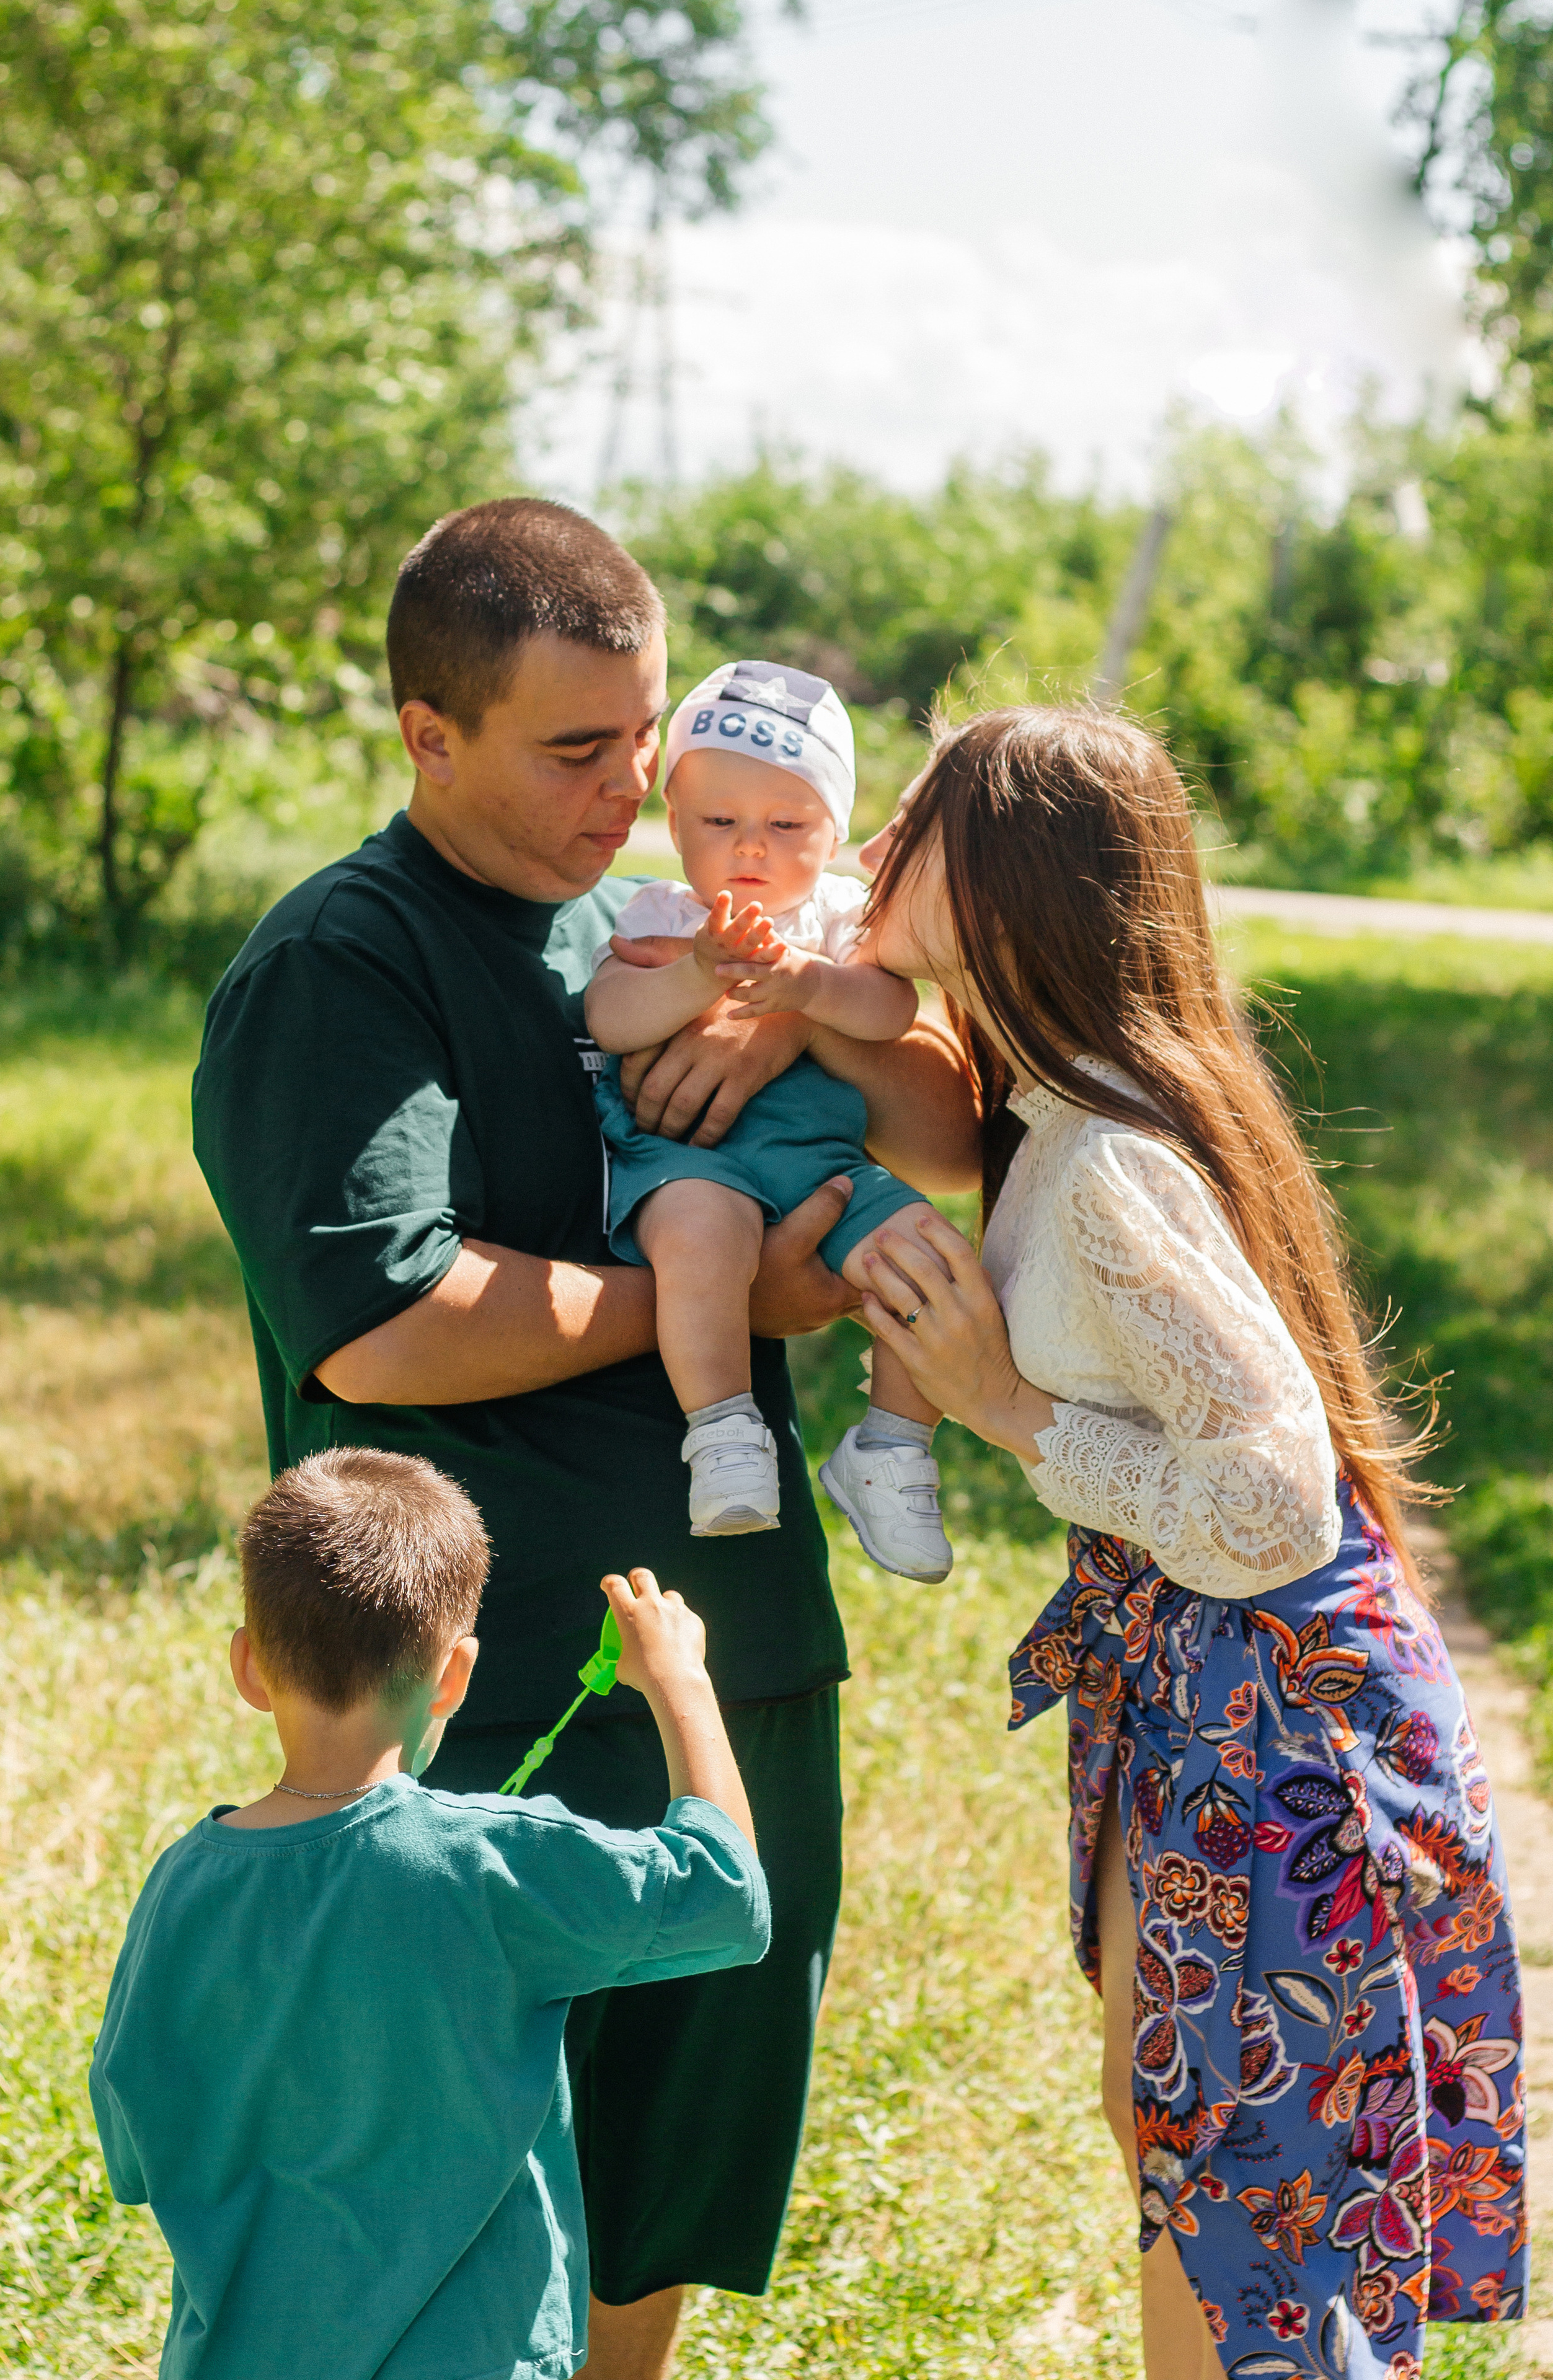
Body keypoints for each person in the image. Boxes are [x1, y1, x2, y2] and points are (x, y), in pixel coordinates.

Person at [190, 497, 981, 2380]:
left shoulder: (654, 922)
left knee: (678, 2133)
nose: (628, 790)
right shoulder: (345, 964)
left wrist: (797, 1030)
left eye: (641, 738)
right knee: (446, 2168)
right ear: (427, 732)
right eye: (572, 750)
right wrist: (736, 1296)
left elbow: (945, 1125)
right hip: (482, 1669)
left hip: (727, 1639)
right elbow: (382, 1323)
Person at [844, 706, 1524, 2380]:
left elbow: (1273, 1502)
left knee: (1238, 2202)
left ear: (1003, 878)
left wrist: (1005, 1410)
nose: (866, 847)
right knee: (1189, 2154)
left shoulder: (1105, 1164)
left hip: (1273, 1707)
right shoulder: (1057, 1108)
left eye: (910, 821)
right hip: (1198, 1679)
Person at [89, 1447, 770, 2380]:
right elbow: (728, 1897)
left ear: (248, 1666)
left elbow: (132, 2140)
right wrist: (680, 1680)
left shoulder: (183, 1883)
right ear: (455, 1675)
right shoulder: (491, 1863)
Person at [585, 659, 952, 1579]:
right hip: (690, 1160)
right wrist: (694, 974)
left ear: (835, 831)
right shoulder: (664, 912)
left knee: (930, 1260)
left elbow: (890, 1012)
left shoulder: (839, 919)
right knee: (702, 1241)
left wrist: (805, 989)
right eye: (719, 823)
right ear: (675, 823)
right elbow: (612, 1019)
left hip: (824, 1159)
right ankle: (723, 1432)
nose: (751, 846)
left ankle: (893, 1447)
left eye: (787, 825)